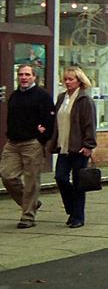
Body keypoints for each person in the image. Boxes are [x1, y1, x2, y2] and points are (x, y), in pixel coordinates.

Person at [2, 65, 55, 229]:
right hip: (12, 143)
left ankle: (28, 216)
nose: (24, 77)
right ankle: (32, 203)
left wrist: (41, 139)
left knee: (31, 180)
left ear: (34, 77)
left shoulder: (42, 96)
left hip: (32, 143)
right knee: (7, 175)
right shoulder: (14, 96)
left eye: (27, 75)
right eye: (21, 74)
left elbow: (49, 120)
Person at [47, 67, 97, 229]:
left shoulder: (85, 100)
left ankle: (78, 217)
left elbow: (90, 124)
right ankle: (72, 209)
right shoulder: (62, 98)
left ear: (80, 81)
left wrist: (89, 145)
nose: (67, 82)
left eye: (71, 79)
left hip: (79, 147)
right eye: (66, 79)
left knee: (78, 182)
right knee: (60, 177)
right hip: (63, 146)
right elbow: (57, 122)